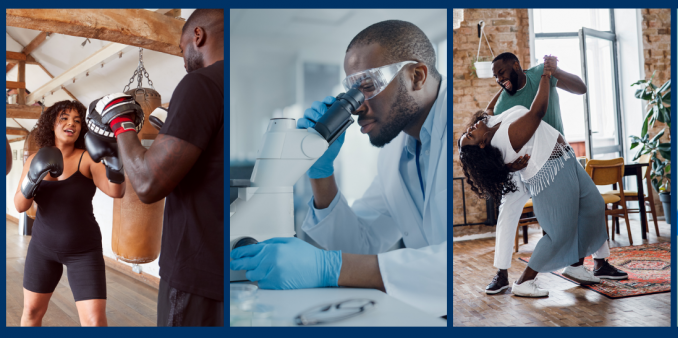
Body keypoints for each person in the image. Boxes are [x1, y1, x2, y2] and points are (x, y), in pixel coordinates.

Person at [230, 20, 447, 318]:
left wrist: (328, 267)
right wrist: (320, 170)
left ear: (417, 76)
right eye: (352, 92)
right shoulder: (395, 154)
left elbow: (457, 261)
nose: (356, 107)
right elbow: (361, 245)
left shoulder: (463, 131)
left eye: (368, 86)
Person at [83, 9, 224, 326]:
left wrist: (120, 123)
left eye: (181, 47)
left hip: (194, 272)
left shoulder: (199, 84)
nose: (182, 57)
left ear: (197, 36)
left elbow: (146, 185)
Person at [458, 58, 607, 297]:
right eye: (469, 136)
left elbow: (486, 111)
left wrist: (500, 88)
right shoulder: (506, 135)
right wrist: (547, 75)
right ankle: (522, 281)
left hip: (565, 158)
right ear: (483, 143)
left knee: (593, 206)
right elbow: (537, 112)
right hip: (550, 170)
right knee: (558, 233)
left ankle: (576, 265)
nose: (469, 130)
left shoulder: (491, 121)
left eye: (466, 132)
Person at [14, 100, 125, 326]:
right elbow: (20, 206)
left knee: (94, 322)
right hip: (42, 249)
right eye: (64, 118)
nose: (70, 124)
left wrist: (115, 159)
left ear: (81, 128)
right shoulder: (35, 159)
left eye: (76, 120)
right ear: (51, 125)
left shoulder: (88, 159)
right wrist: (32, 179)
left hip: (83, 250)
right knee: (32, 312)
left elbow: (117, 191)